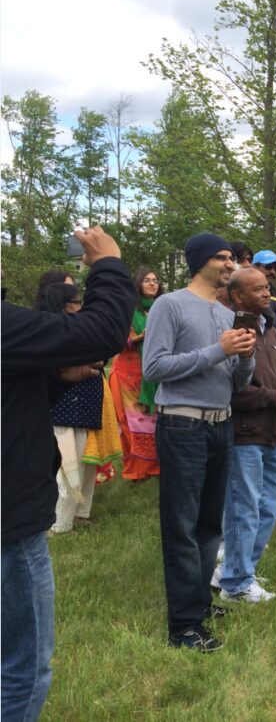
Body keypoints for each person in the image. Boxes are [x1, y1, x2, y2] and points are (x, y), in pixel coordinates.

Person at [3, 227, 134, 719]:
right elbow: (101, 333)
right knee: (22, 665)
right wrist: (108, 266)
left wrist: (53, 377)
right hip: (9, 526)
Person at [143, 232, 256, 651]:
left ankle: (200, 603)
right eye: (222, 258)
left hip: (221, 424)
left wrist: (244, 358)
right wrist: (217, 350)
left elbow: (235, 381)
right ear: (200, 262)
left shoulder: (228, 314)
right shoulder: (169, 304)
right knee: (182, 526)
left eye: (231, 258)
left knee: (210, 524)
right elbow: (154, 367)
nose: (230, 264)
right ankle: (183, 626)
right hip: (183, 426)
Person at [215, 268, 276, 604]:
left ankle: (240, 568)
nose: (266, 294)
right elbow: (230, 391)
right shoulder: (232, 331)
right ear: (238, 296)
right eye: (257, 290)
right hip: (243, 431)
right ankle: (236, 584)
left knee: (272, 498)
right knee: (244, 507)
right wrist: (275, 398)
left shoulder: (269, 325)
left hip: (270, 428)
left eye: (267, 288)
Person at [39, 284, 122, 532]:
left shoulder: (81, 327)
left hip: (87, 404)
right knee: (68, 465)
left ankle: (80, 514)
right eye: (76, 301)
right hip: (64, 408)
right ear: (61, 303)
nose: (80, 306)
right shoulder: (53, 330)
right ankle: (60, 523)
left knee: (86, 464)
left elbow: (103, 352)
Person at [109, 268, 163, 482]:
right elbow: (115, 341)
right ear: (138, 284)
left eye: (155, 280)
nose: (152, 284)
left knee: (155, 422)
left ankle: (156, 467)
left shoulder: (163, 309)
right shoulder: (127, 310)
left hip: (154, 374)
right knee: (133, 423)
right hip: (127, 376)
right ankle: (137, 471)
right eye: (147, 280)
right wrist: (139, 338)